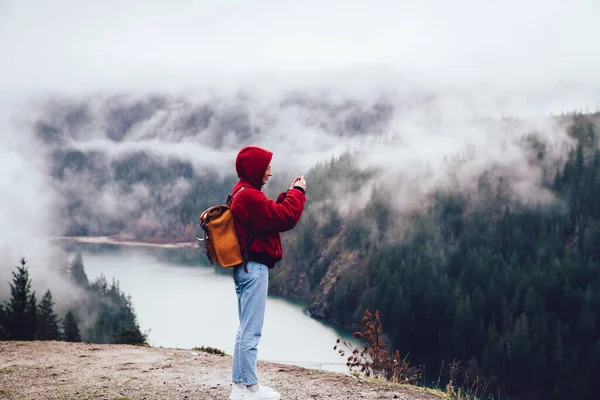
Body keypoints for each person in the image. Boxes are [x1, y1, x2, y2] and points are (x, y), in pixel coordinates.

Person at [228, 146, 307, 400]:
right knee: (252, 331)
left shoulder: (242, 192)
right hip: (255, 270)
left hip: (243, 267)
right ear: (255, 169)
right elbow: (284, 217)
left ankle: (239, 387)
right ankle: (251, 388)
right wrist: (298, 193)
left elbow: (269, 214)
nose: (270, 173)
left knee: (244, 328)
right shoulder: (249, 197)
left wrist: (288, 194)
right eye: (267, 168)